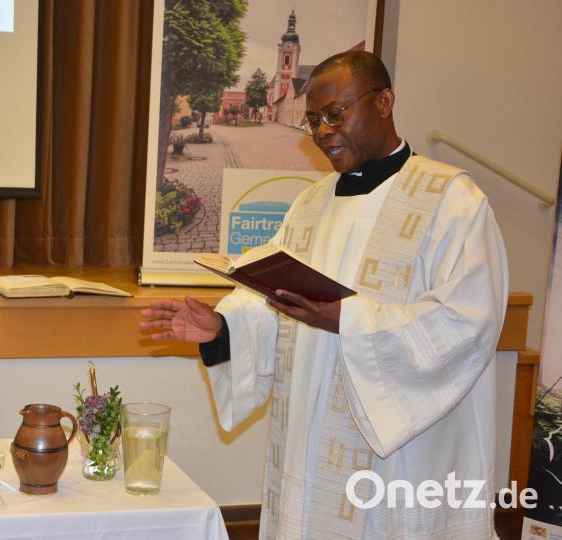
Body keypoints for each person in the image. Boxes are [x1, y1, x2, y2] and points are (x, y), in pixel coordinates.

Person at [140, 50, 507, 539]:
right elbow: (272, 296)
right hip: (313, 447)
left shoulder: (451, 200)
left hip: (403, 458)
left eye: (336, 113)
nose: (323, 131)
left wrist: (349, 321)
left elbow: (469, 322)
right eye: (313, 120)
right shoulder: (311, 205)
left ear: (385, 102)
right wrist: (224, 329)